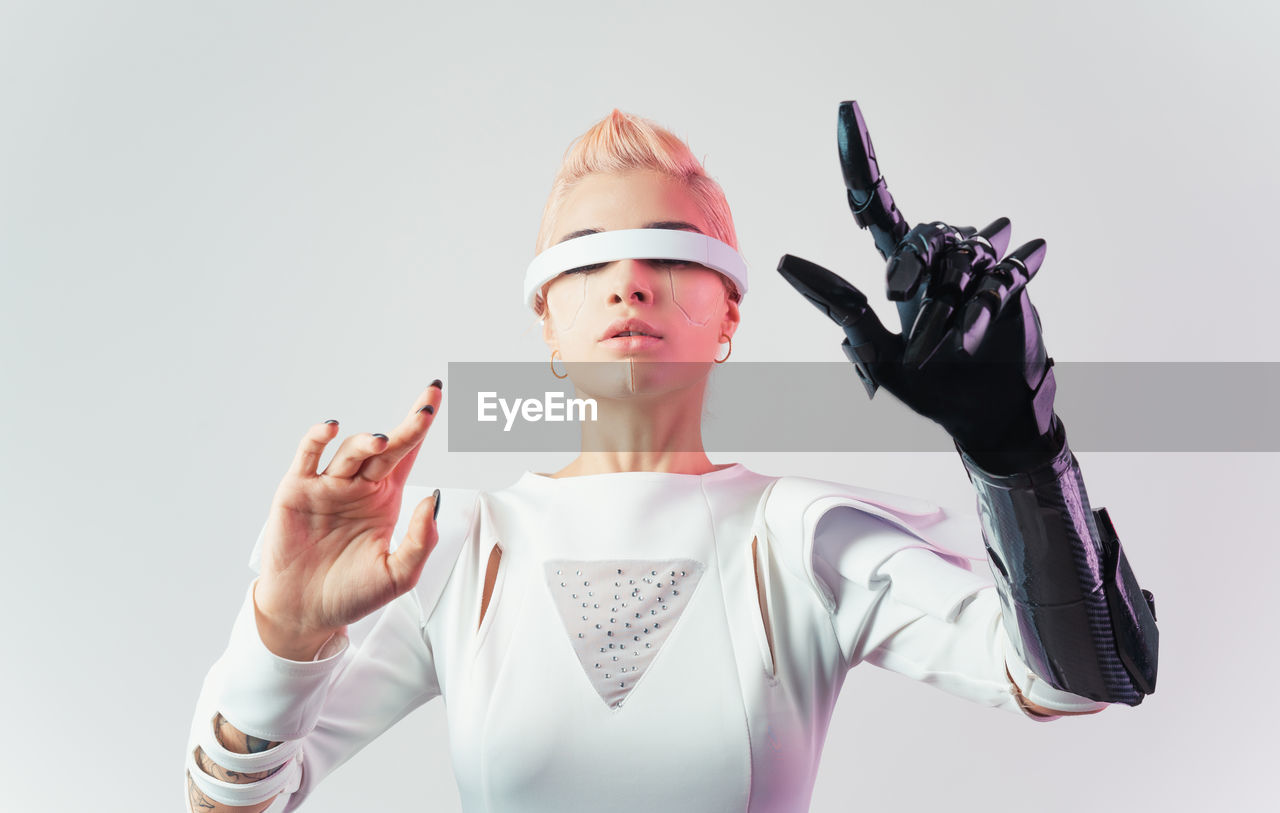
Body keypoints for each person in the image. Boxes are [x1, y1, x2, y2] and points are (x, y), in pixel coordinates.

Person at [184, 106, 1158, 812]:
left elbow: (1081, 676)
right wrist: (280, 634)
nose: (630, 283)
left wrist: (1017, 453)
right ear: (547, 318)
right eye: (585, 258)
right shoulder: (445, 549)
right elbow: (236, 801)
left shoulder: (800, 540)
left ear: (729, 307)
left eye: (670, 252)